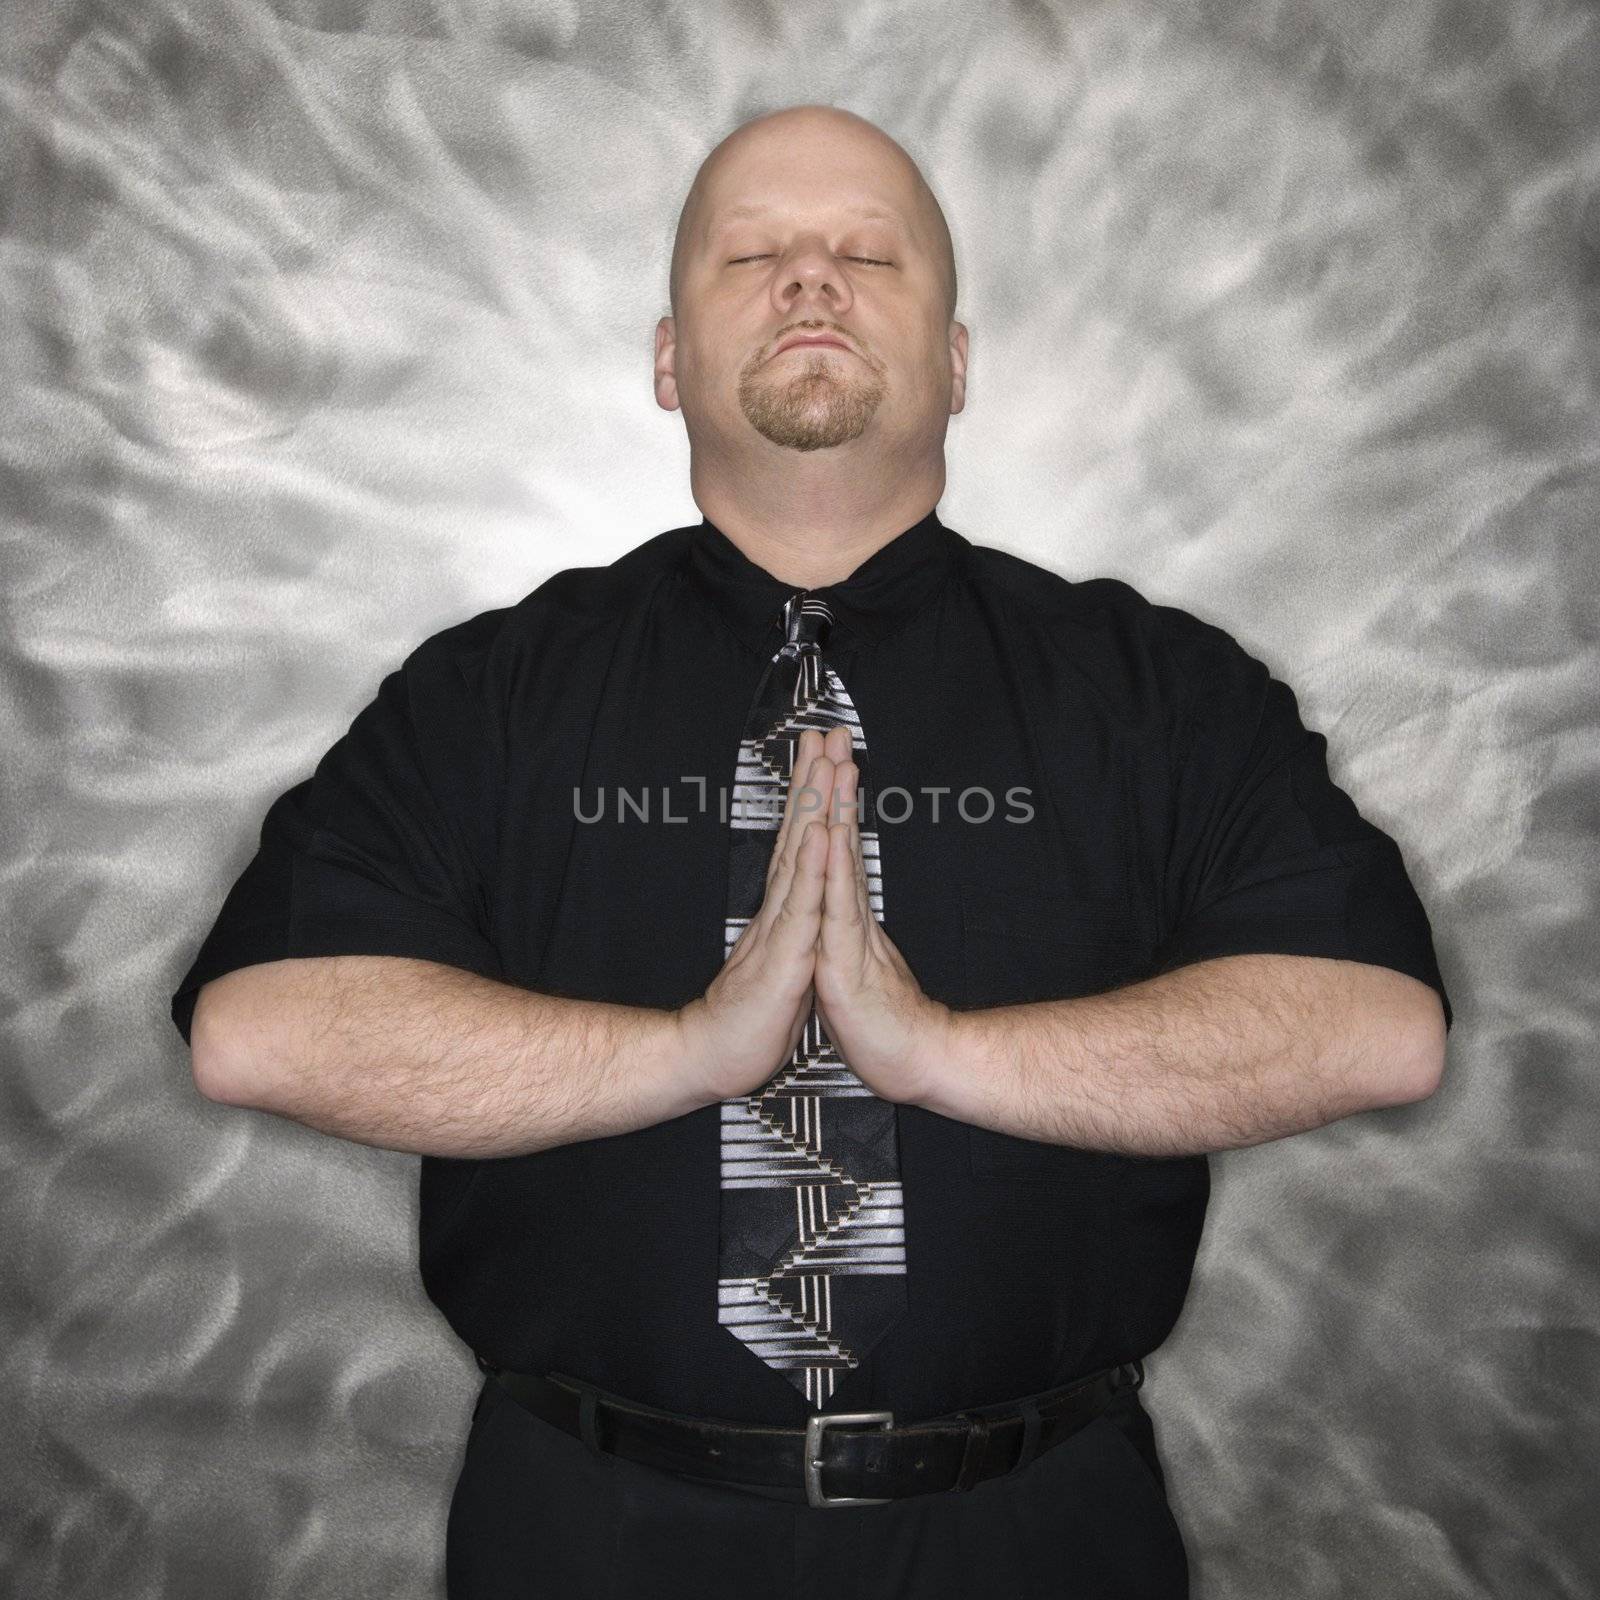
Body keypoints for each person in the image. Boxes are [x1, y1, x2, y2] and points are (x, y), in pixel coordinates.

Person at [170, 103, 1452, 1599]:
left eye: (867, 252)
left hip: (1042, 1535)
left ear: (957, 363)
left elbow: (1378, 1028)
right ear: (667, 360)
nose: (812, 280)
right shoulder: (488, 693)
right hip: (592, 1532)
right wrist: (692, 1053)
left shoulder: (1157, 688)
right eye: (754, 252)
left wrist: (941, 1056)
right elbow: (258, 1030)